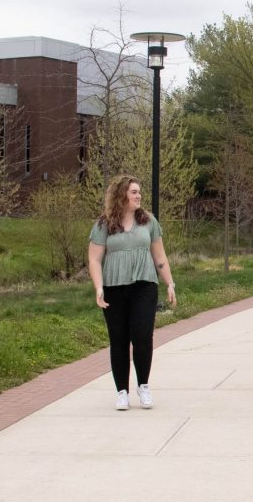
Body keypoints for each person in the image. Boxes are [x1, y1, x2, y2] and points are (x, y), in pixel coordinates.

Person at [88, 175, 177, 411]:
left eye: (139, 192)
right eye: (134, 192)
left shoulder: (148, 222)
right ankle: (122, 392)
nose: (138, 196)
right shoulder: (103, 224)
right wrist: (98, 287)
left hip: (144, 286)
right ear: (122, 195)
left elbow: (159, 257)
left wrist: (170, 283)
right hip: (114, 289)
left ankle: (143, 386)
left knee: (142, 337)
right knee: (118, 340)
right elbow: (95, 259)